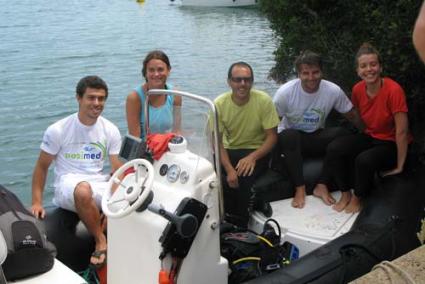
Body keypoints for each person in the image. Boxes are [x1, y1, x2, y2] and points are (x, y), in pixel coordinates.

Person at [31, 75, 122, 268]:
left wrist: (114, 201)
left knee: (133, 194)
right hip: (69, 184)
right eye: (91, 98)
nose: (96, 103)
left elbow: (116, 170)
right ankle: (100, 241)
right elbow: (41, 166)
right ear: (78, 98)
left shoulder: (110, 130)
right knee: (83, 190)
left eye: (101, 98)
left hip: (98, 182)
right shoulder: (58, 130)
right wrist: (37, 202)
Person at [317, 43, 412, 213]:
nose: (369, 69)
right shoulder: (357, 89)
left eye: (373, 64)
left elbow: (402, 131)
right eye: (364, 66)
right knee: (335, 148)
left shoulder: (393, 90)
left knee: (364, 160)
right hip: (371, 136)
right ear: (358, 71)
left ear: (380, 67)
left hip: (391, 143)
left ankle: (357, 198)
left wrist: (400, 166)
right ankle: (345, 193)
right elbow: (361, 118)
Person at [273, 50, 363, 209]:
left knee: (342, 134)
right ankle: (299, 188)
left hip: (315, 137)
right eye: (305, 73)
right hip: (292, 142)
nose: (311, 77)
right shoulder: (285, 93)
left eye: (315, 72)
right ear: (298, 74)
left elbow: (351, 115)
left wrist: (368, 133)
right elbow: (272, 125)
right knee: (289, 135)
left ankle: (321, 185)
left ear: (321, 72)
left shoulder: (332, 90)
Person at [215, 62, 279, 228]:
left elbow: (272, 137)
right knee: (217, 176)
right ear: (229, 82)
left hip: (257, 150)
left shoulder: (263, 101)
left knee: (244, 174)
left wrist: (252, 157)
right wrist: (229, 169)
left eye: (247, 80)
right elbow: (217, 142)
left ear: (252, 81)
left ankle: (241, 224)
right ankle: (228, 216)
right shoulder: (219, 104)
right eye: (237, 80)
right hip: (231, 149)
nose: (242, 84)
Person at [126, 50, 182, 140]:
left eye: (160, 69)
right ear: (145, 73)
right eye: (151, 70)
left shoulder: (175, 94)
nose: (156, 74)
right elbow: (135, 138)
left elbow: (177, 131)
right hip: (143, 150)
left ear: (168, 70)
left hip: (166, 147)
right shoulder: (134, 98)